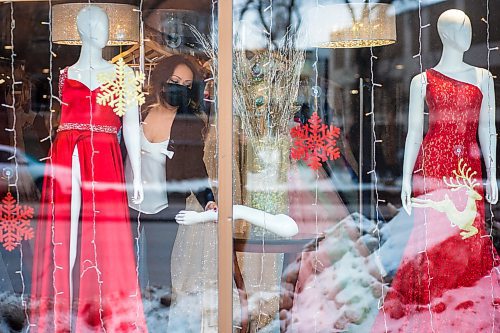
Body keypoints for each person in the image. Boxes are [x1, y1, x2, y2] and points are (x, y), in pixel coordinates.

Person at [371, 9, 500, 332]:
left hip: (468, 169)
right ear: (444, 34)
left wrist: (493, 172)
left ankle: (468, 317)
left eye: (469, 27)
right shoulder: (421, 80)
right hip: (433, 166)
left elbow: (488, 130)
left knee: (468, 238)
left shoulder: (483, 77)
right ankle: (433, 318)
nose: (467, 33)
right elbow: (414, 133)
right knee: (431, 239)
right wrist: (404, 180)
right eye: (460, 28)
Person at [30, 5, 147, 332]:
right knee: (64, 233)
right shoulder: (65, 75)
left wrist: (137, 174)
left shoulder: (124, 75)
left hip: (105, 154)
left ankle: (103, 316)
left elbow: (132, 126)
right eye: (96, 24)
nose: (103, 30)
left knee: (106, 236)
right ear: (81, 30)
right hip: (67, 155)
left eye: (105, 23)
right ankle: (61, 317)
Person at [124, 55, 216, 303]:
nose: (179, 88)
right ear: (162, 80)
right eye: (175, 81)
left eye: (186, 85)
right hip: (126, 203)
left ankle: (158, 323)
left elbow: (196, 168)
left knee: (159, 271)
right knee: (123, 266)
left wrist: (208, 199)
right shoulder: (138, 111)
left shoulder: (189, 124)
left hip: (165, 207)